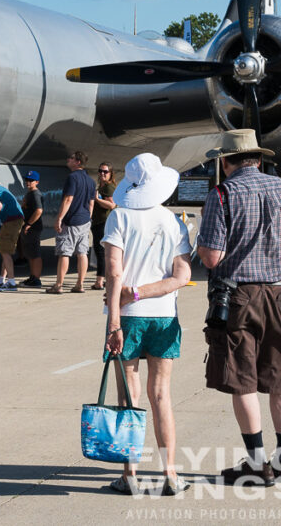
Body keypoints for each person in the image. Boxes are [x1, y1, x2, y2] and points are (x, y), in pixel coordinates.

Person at [197, 129, 281, 486]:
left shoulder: (222, 195)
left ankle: (257, 463)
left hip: (238, 298)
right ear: (259, 158)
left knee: (242, 380)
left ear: (226, 161)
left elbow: (212, 256)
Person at [102, 153, 192, 496]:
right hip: (164, 315)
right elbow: (182, 276)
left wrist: (116, 317)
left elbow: (113, 273)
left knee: (130, 396)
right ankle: (170, 473)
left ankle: (131, 473)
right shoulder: (173, 222)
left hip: (127, 318)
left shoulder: (118, 218)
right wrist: (143, 292)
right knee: (161, 395)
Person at [47, 152, 96, 294]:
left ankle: (59, 285)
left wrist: (59, 218)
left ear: (78, 162)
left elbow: (68, 199)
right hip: (85, 220)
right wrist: (88, 218)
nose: (68, 159)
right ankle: (80, 284)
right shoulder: (91, 181)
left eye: (72, 158)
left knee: (65, 252)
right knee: (82, 252)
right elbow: (91, 203)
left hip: (71, 221)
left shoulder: (72, 178)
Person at [91, 162, 117, 290]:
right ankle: (106, 278)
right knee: (102, 252)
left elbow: (112, 205)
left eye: (105, 172)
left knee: (100, 252)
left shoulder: (108, 187)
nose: (102, 174)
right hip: (98, 222)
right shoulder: (101, 186)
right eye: (100, 171)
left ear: (110, 174)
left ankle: (99, 281)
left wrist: (97, 200)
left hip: (103, 222)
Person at [19, 170, 44, 287]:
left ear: (37, 182)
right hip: (29, 227)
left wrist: (29, 224)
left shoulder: (35, 194)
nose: (28, 182)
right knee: (30, 253)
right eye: (27, 180)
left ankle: (36, 279)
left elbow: (39, 210)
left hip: (33, 228)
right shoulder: (30, 193)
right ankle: (32, 276)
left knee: (35, 253)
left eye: (31, 180)